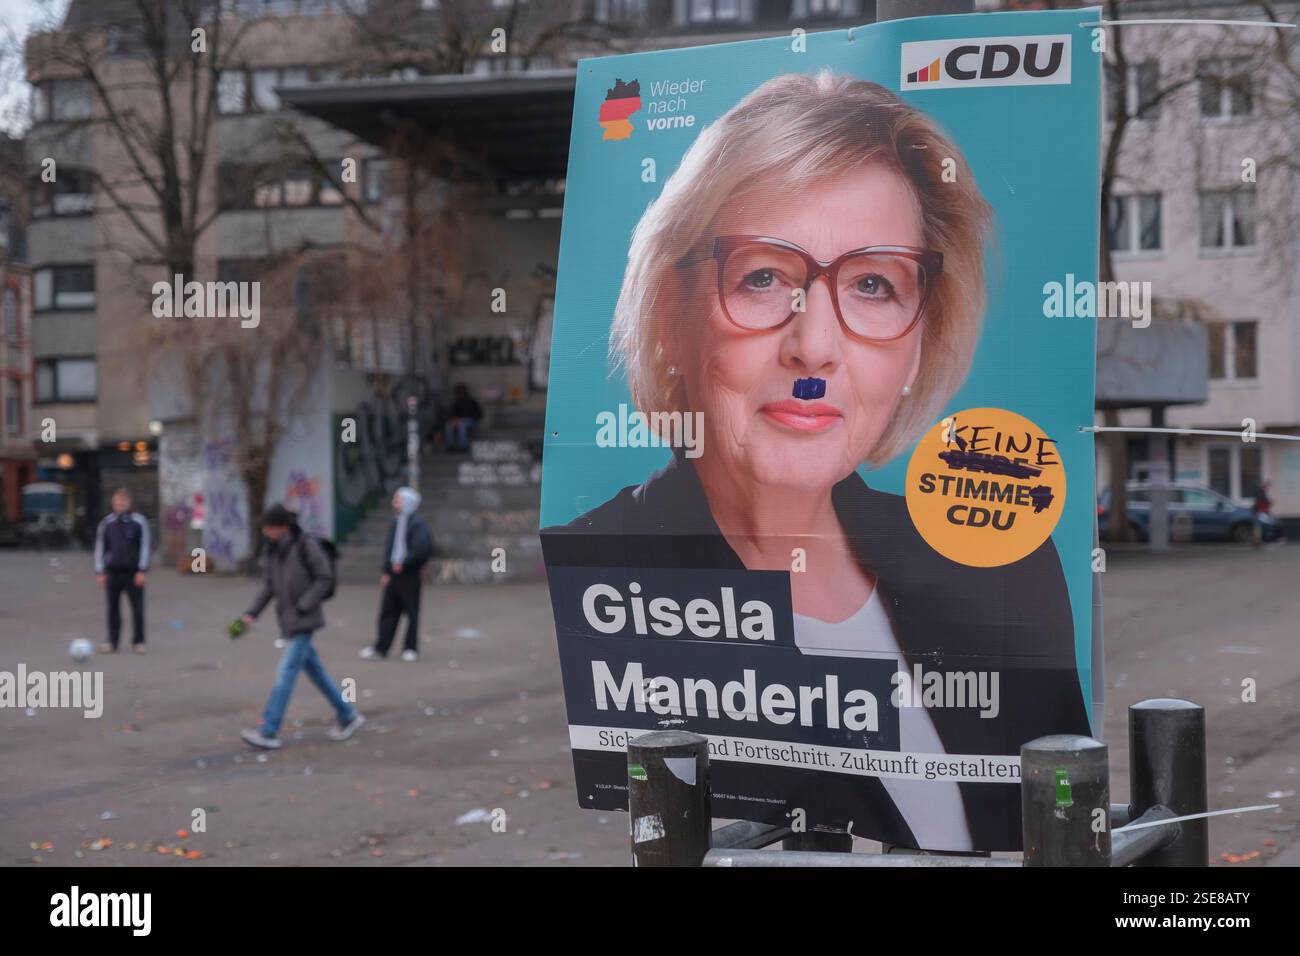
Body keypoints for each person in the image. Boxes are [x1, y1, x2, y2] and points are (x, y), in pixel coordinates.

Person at [542, 71, 1089, 851]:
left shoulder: (1001, 569)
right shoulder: (616, 567)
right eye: (763, 277)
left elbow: (1057, 831)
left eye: (873, 284)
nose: (815, 346)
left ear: (918, 344)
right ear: (671, 316)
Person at [238, 504, 364, 750]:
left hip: (305, 619)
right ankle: (348, 715)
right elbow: (268, 587)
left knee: (286, 671)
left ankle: (269, 730)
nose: (266, 532)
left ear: (283, 527)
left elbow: (324, 576)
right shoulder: (274, 551)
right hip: (288, 619)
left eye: (270, 528)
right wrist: (250, 614)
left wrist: (304, 604)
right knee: (315, 671)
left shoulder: (306, 545)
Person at [361, 487, 433, 662]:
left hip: (409, 574)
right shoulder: (396, 522)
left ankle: (410, 648)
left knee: (411, 612)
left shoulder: (417, 524)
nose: (395, 503)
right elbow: (390, 548)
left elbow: (422, 548)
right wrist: (386, 570)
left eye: (398, 500)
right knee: (388, 611)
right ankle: (381, 648)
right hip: (394, 573)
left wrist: (405, 563)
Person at [94, 488, 151, 654]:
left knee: (138, 609)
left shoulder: (139, 522)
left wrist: (142, 570)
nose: (120, 505)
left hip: (133, 572)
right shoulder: (107, 524)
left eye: (123, 503)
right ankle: (112, 641)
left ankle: (138, 641)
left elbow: (145, 547)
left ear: (129, 504)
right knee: (112, 609)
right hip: (113, 572)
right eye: (118, 503)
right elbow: (100, 548)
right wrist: (100, 571)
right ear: (113, 504)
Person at [445, 383, 482, 452]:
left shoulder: (472, 401)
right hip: (457, 421)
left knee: (462, 425)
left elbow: (479, 414)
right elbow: (451, 415)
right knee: (449, 425)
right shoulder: (455, 402)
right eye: (458, 392)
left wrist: (472, 418)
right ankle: (450, 446)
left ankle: (462, 446)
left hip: (470, 421)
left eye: (461, 391)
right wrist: (454, 419)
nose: (460, 393)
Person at [1252, 480, 1272, 549]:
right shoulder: (1261, 492)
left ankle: (1257, 542)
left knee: (1257, 527)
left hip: (1257, 511)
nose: (1268, 488)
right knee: (1257, 527)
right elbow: (1263, 500)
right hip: (1258, 511)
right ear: (1265, 485)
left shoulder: (1259, 491)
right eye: (1268, 486)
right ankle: (1257, 543)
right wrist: (1269, 502)